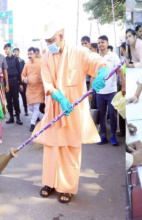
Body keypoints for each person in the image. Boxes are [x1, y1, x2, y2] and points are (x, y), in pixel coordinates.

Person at [33, 20, 108, 203]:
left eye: (51, 40)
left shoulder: (79, 52)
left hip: (73, 112)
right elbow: (47, 83)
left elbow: (98, 62)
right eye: (46, 41)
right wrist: (59, 97)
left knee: (70, 149)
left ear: (61, 36)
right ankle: (50, 182)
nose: (49, 44)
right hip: (54, 109)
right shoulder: (45, 58)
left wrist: (101, 73)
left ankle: (67, 188)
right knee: (51, 147)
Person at [96, 35, 126, 146]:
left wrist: (124, 87)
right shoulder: (96, 57)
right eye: (99, 42)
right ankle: (103, 135)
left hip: (112, 91)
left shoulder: (113, 56)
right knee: (102, 114)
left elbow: (120, 72)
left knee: (113, 114)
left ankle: (113, 135)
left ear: (107, 43)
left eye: (102, 42)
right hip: (99, 92)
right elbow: (94, 74)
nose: (100, 44)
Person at [21, 47, 44, 132]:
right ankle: (42, 116)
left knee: (36, 107)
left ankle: (32, 123)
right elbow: (23, 75)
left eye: (31, 54)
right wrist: (24, 79)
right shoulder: (26, 64)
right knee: (31, 107)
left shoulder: (41, 63)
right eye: (28, 54)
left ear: (35, 53)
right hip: (30, 89)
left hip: (38, 89)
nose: (29, 55)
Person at [4, 43, 23, 125]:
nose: (6, 50)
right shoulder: (4, 59)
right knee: (8, 101)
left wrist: (21, 83)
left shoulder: (15, 59)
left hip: (15, 82)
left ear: (10, 49)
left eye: (7, 49)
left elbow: (20, 72)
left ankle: (18, 118)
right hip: (7, 83)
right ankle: (11, 117)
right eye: (5, 49)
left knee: (16, 100)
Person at [13, 47, 28, 116]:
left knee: (24, 96)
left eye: (16, 51)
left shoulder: (22, 61)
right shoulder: (12, 61)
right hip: (15, 81)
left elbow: (25, 71)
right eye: (14, 52)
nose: (15, 53)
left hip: (22, 81)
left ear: (19, 52)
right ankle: (17, 111)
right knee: (16, 98)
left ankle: (26, 110)